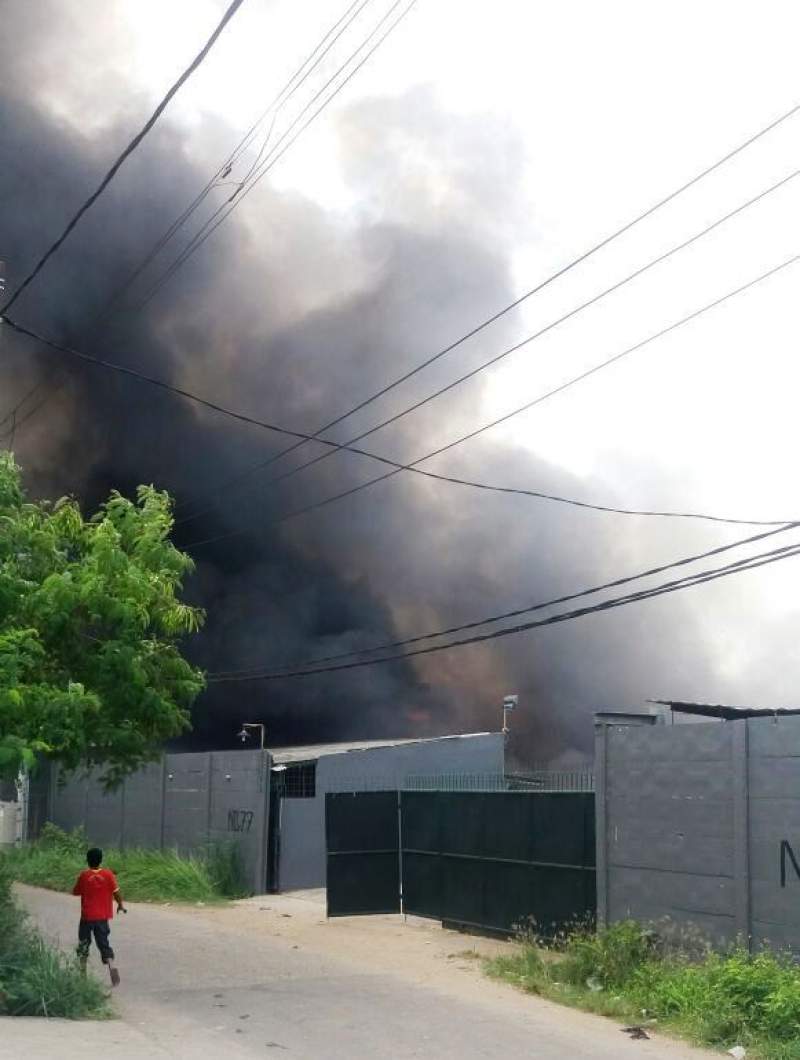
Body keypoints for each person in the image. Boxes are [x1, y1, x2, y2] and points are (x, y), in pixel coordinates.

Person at [72, 847, 125, 987]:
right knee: (103, 943)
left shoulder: (84, 875)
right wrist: (120, 905)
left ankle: (82, 976)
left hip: (87, 917)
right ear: (101, 860)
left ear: (87, 860)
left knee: (84, 944)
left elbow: (75, 892)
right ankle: (111, 964)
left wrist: (80, 880)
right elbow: (116, 893)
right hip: (102, 917)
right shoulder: (108, 875)